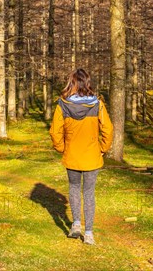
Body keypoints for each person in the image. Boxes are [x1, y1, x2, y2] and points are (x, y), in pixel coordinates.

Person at [49, 68, 113, 245]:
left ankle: (76, 224)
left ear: (72, 82)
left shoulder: (62, 104)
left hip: (72, 155)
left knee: (74, 188)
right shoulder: (97, 104)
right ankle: (89, 233)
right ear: (87, 82)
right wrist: (103, 148)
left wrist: (62, 148)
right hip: (92, 155)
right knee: (89, 193)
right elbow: (108, 129)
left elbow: (55, 131)